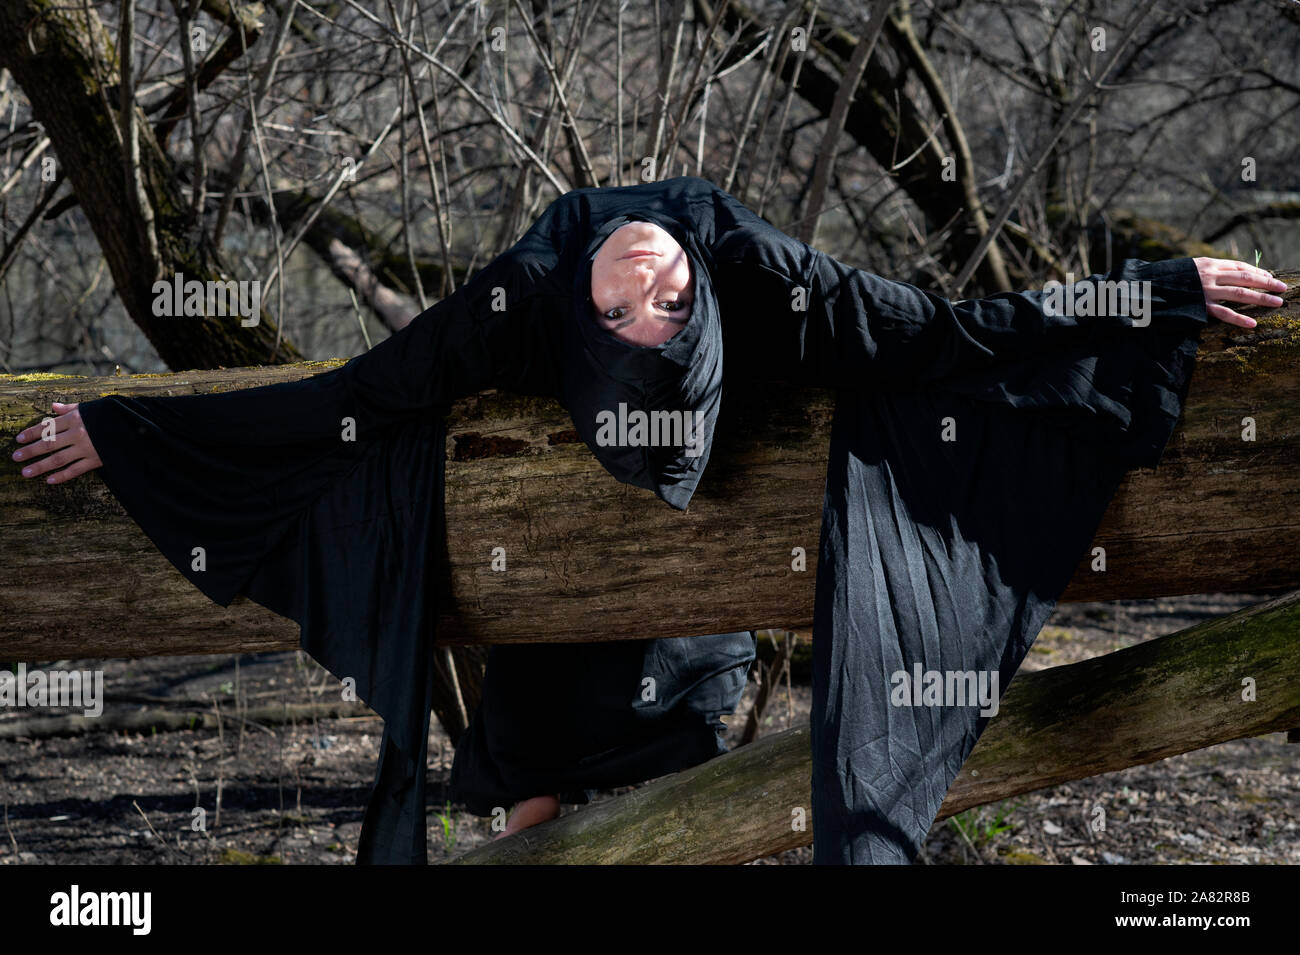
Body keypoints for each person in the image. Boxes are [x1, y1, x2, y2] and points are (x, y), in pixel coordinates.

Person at [12, 175, 1284, 864]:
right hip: (560, 606)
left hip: (690, 596)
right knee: (538, 799)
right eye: (631, 323)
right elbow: (349, 398)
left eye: (663, 320)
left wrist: (1141, 296)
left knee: (653, 793)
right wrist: (130, 429)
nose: (646, 301)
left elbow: (946, 333)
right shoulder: (520, 306)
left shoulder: (768, 283)